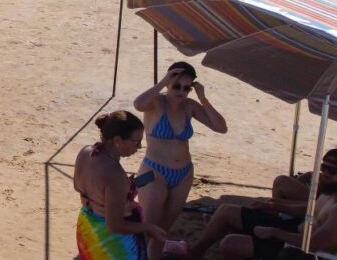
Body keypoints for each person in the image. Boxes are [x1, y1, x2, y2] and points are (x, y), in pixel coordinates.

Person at [133, 62, 228, 260]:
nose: (181, 91)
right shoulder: (156, 103)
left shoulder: (190, 107)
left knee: (162, 230)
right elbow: (138, 104)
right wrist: (162, 82)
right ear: (169, 84)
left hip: (183, 174)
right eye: (177, 86)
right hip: (154, 171)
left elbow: (221, 127)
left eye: (187, 88)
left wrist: (203, 99)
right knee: (148, 228)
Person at [188, 148, 337, 259]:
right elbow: (310, 210)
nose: (325, 173)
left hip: (297, 249)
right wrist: (275, 205)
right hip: (294, 230)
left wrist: (275, 232)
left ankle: (232, 234)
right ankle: (196, 251)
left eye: (332, 170)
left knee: (230, 243)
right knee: (226, 211)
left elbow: (314, 244)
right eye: (323, 167)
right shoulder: (329, 191)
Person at [75, 110, 167, 259]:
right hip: (111, 240)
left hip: (87, 226)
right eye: (136, 142)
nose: (139, 147)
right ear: (118, 140)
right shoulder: (115, 175)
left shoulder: (85, 152)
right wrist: (149, 227)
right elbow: (115, 226)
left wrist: (116, 194)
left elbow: (79, 186)